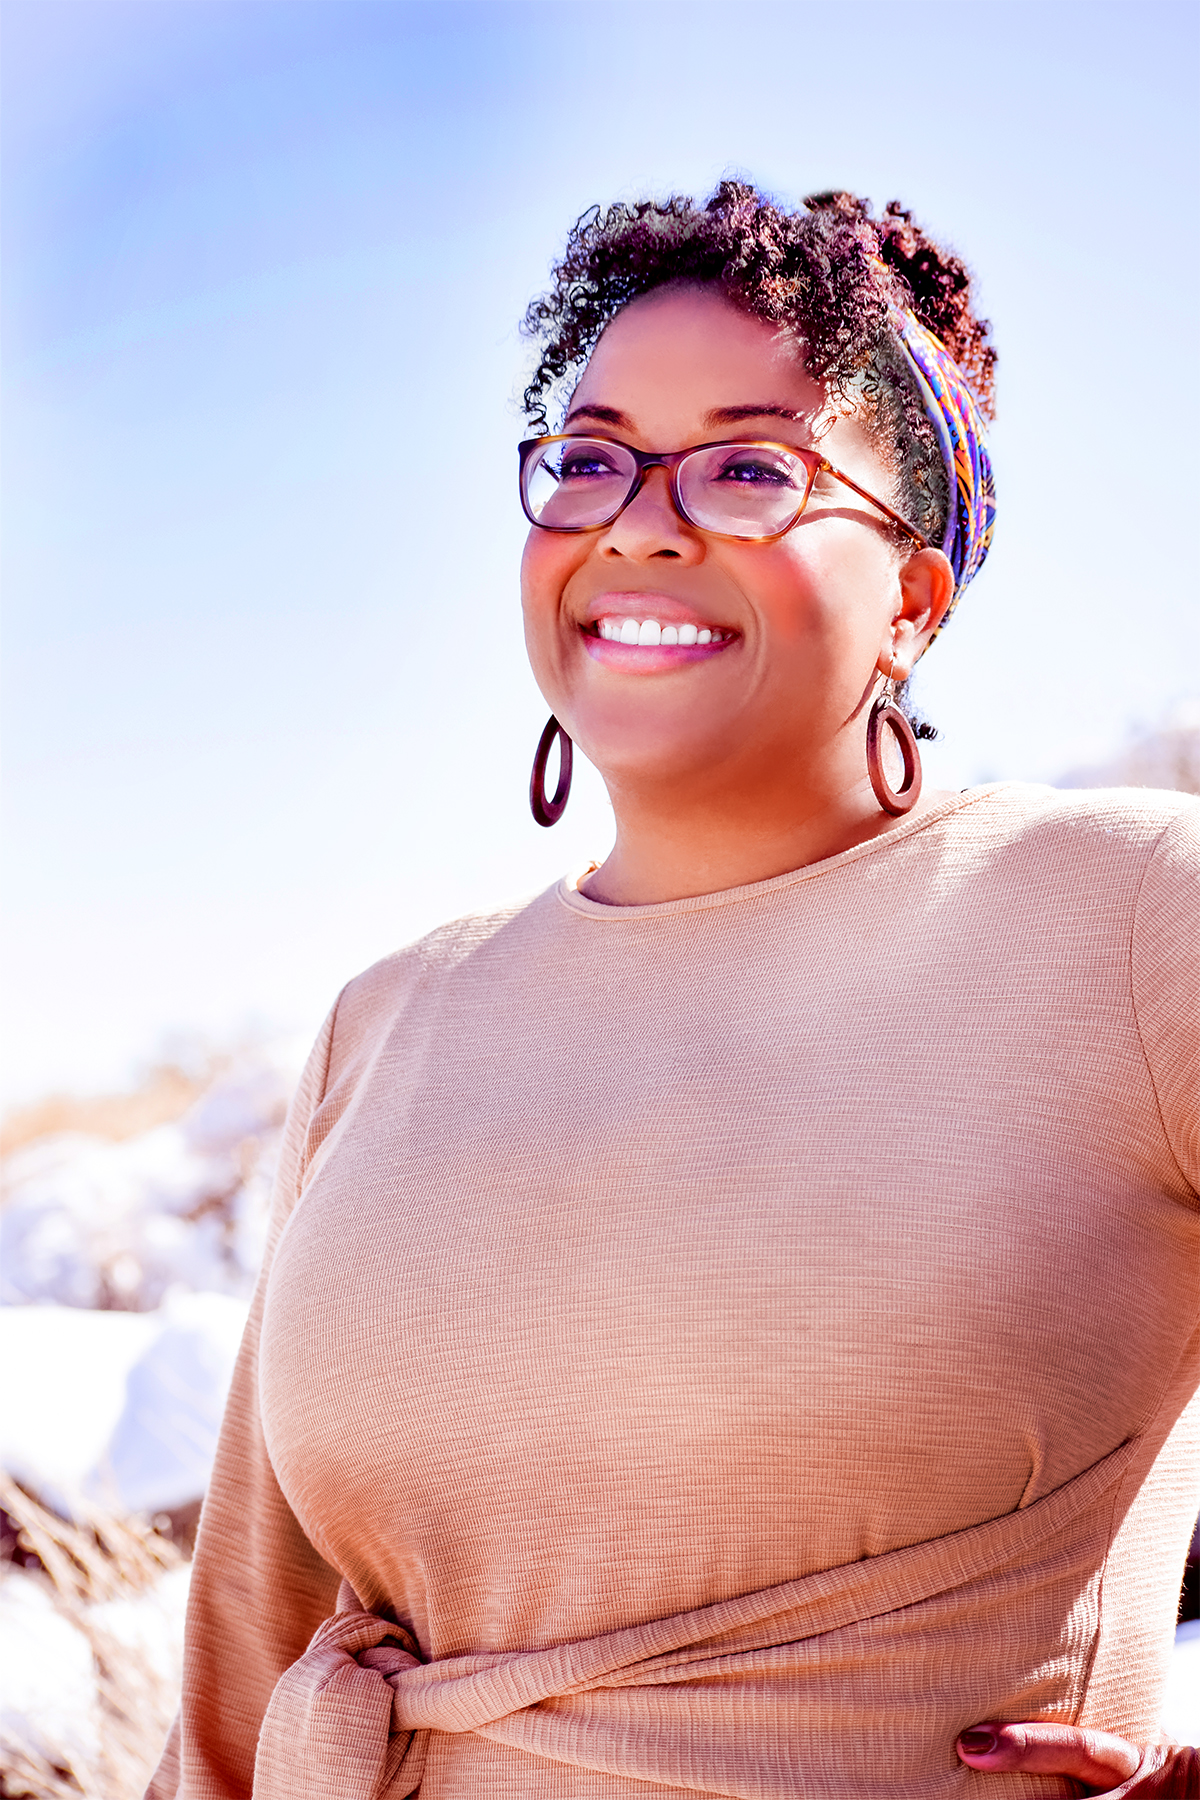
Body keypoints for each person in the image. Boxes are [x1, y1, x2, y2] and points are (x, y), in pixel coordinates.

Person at [147, 183, 1198, 1800]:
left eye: (749, 466)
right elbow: (249, 1645)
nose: (638, 518)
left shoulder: (1134, 912)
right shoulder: (392, 1016)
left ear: (913, 599)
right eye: (588, 456)